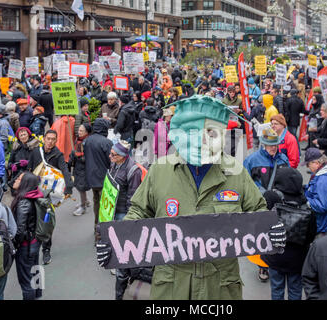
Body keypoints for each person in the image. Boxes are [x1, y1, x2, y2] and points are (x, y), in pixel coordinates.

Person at [96, 95, 286, 300]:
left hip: (220, 287)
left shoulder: (236, 172)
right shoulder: (160, 170)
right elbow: (139, 211)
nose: (202, 139)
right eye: (193, 132)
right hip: (171, 287)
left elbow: (257, 211)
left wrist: (271, 228)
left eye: (211, 132)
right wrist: (115, 241)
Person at [261, 167, 317, 300]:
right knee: (295, 290)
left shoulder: (271, 198)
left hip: (275, 255)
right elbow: (311, 235)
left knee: (277, 289)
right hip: (297, 259)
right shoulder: (305, 205)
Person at [243, 127, 289, 282]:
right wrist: (260, 192)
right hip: (260, 204)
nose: (273, 147)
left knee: (277, 234)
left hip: (279, 206)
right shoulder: (251, 160)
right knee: (262, 236)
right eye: (270, 145)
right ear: (263, 144)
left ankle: (276, 264)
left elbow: (288, 180)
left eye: (275, 144)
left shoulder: (283, 159)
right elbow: (245, 183)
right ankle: (263, 266)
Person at [27, 129, 73, 264]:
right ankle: (32, 247)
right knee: (31, 220)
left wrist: (69, 187)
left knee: (46, 223)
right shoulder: (36, 152)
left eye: (53, 139)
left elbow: (64, 170)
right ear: (44, 139)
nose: (50, 141)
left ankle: (46, 250)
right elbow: (29, 170)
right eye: (48, 138)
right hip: (33, 192)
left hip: (48, 195)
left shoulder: (58, 155)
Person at [10, 172, 44, 300]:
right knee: (35, 271)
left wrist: (14, 245)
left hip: (26, 246)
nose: (15, 179)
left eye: (18, 178)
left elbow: (20, 230)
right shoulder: (34, 195)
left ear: (25, 183)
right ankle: (38, 296)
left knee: (26, 281)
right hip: (35, 242)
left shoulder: (23, 202)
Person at [83, 119, 113, 240]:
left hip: (91, 178)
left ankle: (97, 227)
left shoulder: (87, 141)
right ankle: (101, 233)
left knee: (96, 204)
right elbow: (111, 161)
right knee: (105, 207)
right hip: (103, 179)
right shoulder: (106, 142)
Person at [70, 123, 92, 216]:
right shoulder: (78, 140)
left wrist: (77, 156)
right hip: (77, 167)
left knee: (81, 187)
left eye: (81, 131)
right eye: (78, 130)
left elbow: (88, 158)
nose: (78, 132)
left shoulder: (87, 142)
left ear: (87, 132)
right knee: (78, 185)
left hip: (83, 168)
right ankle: (86, 201)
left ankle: (83, 207)